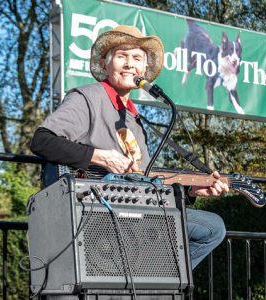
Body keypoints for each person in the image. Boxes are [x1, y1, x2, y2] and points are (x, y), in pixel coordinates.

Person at [30, 25, 229, 270]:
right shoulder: (87, 97)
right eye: (121, 56)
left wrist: (190, 192)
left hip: (134, 215)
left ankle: (158, 285)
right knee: (211, 228)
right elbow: (41, 140)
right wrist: (100, 157)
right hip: (93, 213)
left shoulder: (136, 121)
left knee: (212, 227)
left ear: (144, 69)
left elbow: (145, 184)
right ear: (104, 65)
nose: (129, 63)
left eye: (136, 58)